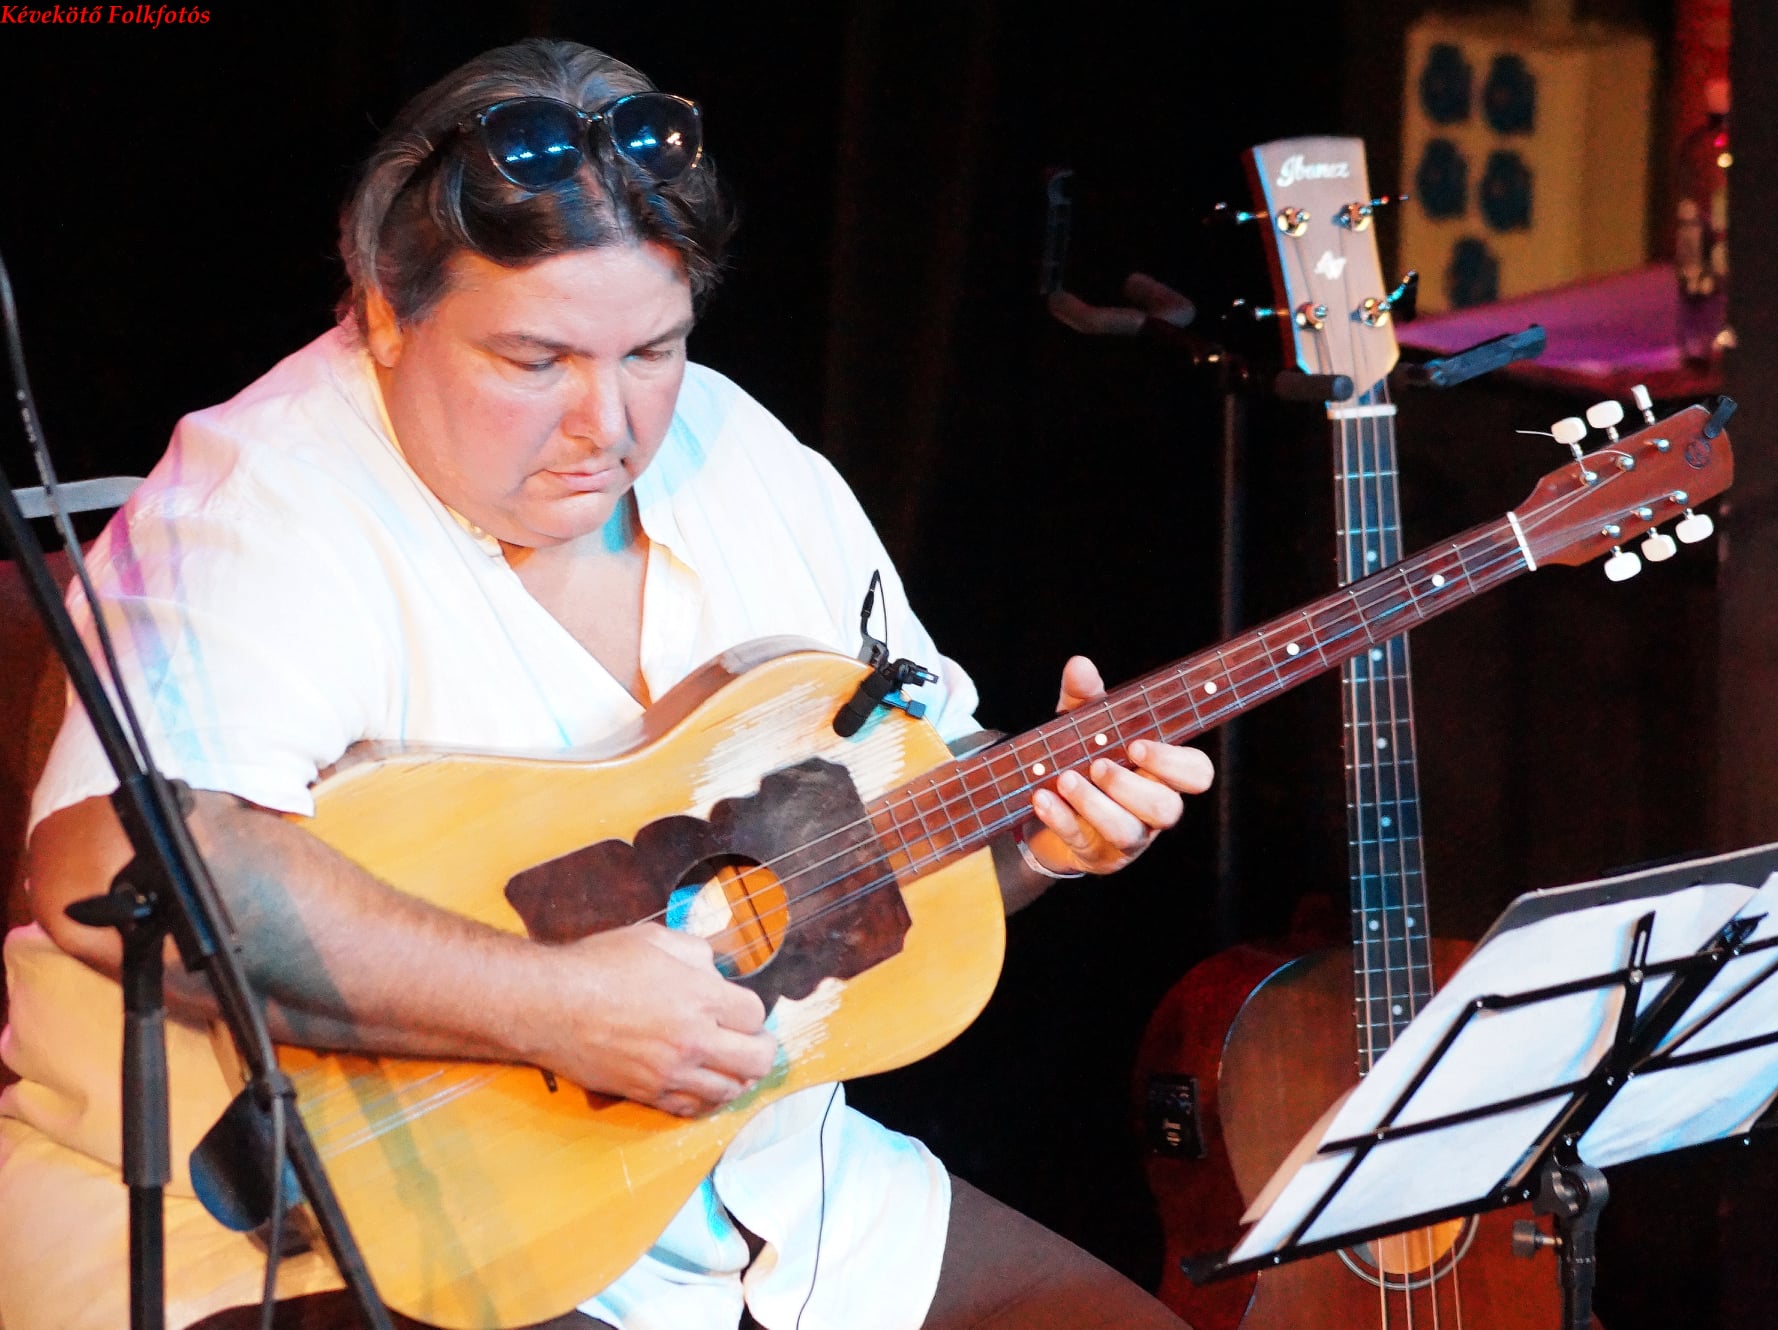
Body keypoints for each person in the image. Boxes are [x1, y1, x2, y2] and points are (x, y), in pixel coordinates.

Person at [0, 37, 1212, 1330]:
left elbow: (898, 837)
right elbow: (121, 871)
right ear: (386, 310)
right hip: (308, 1221)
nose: (611, 425)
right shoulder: (264, 501)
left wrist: (1040, 833)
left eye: (651, 350)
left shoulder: (744, 454)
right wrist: (556, 1005)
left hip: (772, 1190)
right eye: (536, 361)